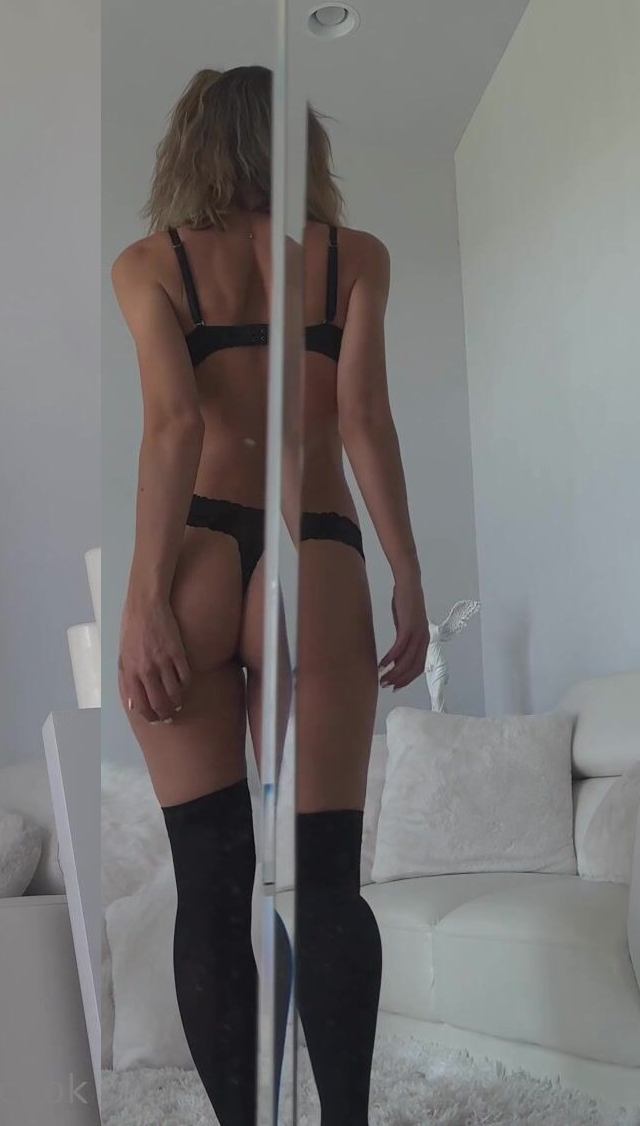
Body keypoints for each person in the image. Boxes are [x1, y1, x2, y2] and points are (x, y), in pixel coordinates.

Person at [109, 67, 425, 1126]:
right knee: (324, 879)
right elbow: (363, 421)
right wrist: (407, 575)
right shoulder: (352, 259)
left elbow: (174, 428)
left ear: (190, 145)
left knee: (211, 887)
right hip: (315, 552)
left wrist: (145, 603)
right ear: (300, 150)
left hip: (199, 554)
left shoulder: (150, 266)